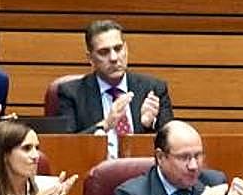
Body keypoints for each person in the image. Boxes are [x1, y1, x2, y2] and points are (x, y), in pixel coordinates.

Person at [55, 19, 174, 158]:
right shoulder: (71, 93)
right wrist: (105, 125)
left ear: (126, 49)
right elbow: (66, 146)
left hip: (142, 173)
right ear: (90, 58)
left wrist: (148, 125)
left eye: (118, 49)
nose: (114, 57)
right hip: (95, 170)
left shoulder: (153, 89)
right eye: (104, 52)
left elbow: (172, 145)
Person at [111, 120, 243, 195]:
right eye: (184, 157)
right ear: (160, 157)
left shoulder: (214, 183)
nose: (193, 166)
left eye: (198, 155)